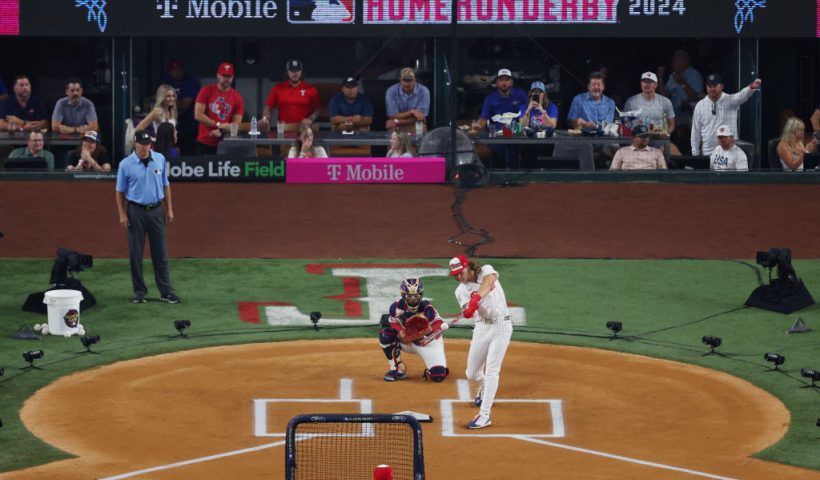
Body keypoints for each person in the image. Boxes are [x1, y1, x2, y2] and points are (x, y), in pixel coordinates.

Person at [115, 129, 180, 304]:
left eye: (147, 144)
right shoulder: (125, 164)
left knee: (160, 253)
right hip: (135, 211)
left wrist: (169, 209)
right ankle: (139, 292)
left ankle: (166, 291)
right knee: (135, 254)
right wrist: (122, 214)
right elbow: (119, 192)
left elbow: (166, 186)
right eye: (142, 145)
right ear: (135, 144)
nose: (145, 148)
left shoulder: (160, 159)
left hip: (156, 210)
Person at [449, 255, 513, 430]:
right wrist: (471, 309)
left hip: (502, 326)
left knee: (492, 369)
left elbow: (489, 281)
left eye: (460, 272)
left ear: (468, 267)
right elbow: (472, 312)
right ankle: (483, 385)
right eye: (455, 274)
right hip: (482, 327)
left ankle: (484, 415)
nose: (458, 277)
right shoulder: (460, 291)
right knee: (471, 373)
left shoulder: (486, 270)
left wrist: (476, 299)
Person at [379, 278, 449, 383]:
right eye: (409, 296)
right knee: (386, 335)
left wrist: (425, 331)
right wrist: (400, 332)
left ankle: (437, 368)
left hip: (428, 343)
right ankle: (397, 369)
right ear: (403, 295)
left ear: (420, 295)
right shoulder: (396, 308)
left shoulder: (428, 309)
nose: (412, 299)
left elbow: (438, 324)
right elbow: (392, 322)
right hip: (407, 342)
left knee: (438, 375)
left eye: (415, 296)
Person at [691, 74, 761, 156]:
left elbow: (742, 95)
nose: (712, 88)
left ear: (721, 86)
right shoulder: (700, 105)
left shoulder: (730, 101)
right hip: (708, 154)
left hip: (729, 154)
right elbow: (695, 132)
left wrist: (751, 87)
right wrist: (695, 154)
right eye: (709, 86)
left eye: (714, 85)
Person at [479, 68, 529, 169]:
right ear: (497, 83)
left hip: (516, 133)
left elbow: (528, 112)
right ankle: (506, 174)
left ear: (511, 82)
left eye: (507, 80)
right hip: (497, 134)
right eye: (501, 80)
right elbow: (483, 120)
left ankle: (508, 174)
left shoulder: (520, 95)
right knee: (504, 147)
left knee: (512, 145)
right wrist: (476, 128)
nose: (504, 83)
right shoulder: (490, 98)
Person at [657, 50, 703, 155]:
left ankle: (684, 158)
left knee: (681, 130)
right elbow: (665, 96)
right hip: (672, 113)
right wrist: (660, 79)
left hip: (688, 113)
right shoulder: (673, 76)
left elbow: (696, 97)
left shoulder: (694, 75)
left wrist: (682, 82)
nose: (673, 62)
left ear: (685, 61)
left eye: (676, 59)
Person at [193, 62, 244, 155]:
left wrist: (223, 129)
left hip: (226, 143)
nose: (226, 78)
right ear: (218, 75)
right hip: (205, 141)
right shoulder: (206, 90)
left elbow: (236, 123)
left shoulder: (237, 97)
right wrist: (218, 124)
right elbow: (198, 115)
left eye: (229, 76)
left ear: (233, 77)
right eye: (224, 75)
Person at [260, 59, 321, 131]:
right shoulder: (277, 88)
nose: (295, 73)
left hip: (304, 128)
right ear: (287, 72)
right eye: (292, 71)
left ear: (301, 72)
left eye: (297, 70)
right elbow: (269, 107)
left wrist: (310, 119)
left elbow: (318, 109)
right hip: (284, 128)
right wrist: (265, 118)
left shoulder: (311, 89)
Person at [159, 59, 200, 153]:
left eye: (179, 70)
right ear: (169, 72)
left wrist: (167, 101)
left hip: (189, 126)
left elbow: (185, 104)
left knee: (188, 154)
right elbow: (158, 100)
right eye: (174, 70)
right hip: (170, 128)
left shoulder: (191, 81)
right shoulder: (166, 81)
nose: (177, 72)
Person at [385, 67, 430, 133]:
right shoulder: (391, 91)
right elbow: (392, 115)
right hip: (396, 128)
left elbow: (420, 117)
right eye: (404, 80)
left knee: (421, 127)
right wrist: (411, 112)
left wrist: (396, 121)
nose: (407, 83)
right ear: (400, 80)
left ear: (415, 80)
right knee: (393, 137)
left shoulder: (424, 91)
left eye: (409, 80)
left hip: (416, 127)